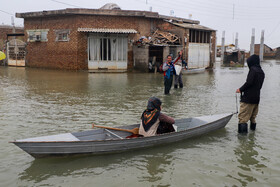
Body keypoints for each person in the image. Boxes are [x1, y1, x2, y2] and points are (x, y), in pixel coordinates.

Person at [236, 54, 265, 133]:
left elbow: (249, 83)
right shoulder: (261, 72)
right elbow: (259, 86)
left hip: (248, 99)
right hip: (256, 99)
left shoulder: (253, 70)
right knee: (253, 118)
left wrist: (240, 89)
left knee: (242, 118)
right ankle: (252, 137)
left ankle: (242, 140)